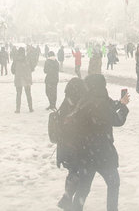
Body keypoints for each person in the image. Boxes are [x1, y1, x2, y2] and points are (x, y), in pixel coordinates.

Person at [72, 74, 130, 211]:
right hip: (102, 152)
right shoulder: (99, 102)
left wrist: (120, 103)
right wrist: (123, 108)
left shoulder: (85, 99)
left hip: (85, 152)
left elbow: (108, 106)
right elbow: (117, 120)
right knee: (114, 183)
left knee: (83, 187)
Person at [56, 78, 87, 211]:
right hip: (77, 146)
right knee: (80, 174)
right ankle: (70, 200)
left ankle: (67, 196)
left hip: (65, 146)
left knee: (72, 172)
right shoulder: (82, 103)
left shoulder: (66, 102)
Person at [12, 47, 33, 113]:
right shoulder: (27, 59)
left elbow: (12, 70)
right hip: (26, 78)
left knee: (18, 94)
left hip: (18, 78)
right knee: (28, 94)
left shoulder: (16, 60)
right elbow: (32, 68)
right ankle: (30, 108)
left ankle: (18, 109)